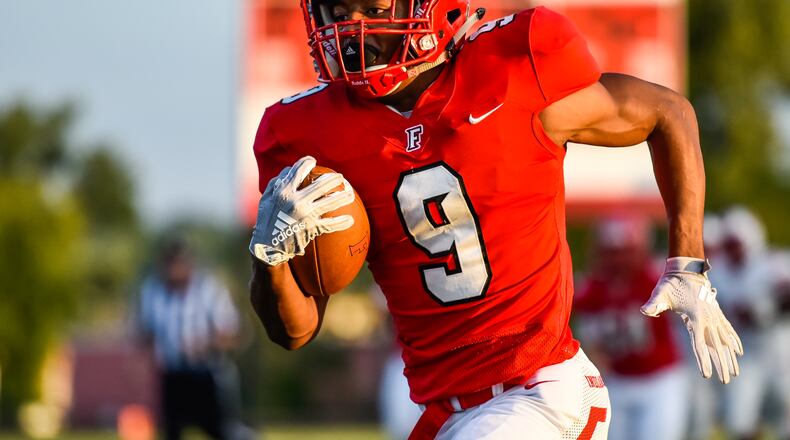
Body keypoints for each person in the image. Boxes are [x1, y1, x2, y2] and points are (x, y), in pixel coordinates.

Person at [246, 1, 743, 438]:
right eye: (337, 12)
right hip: (447, 413)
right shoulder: (304, 135)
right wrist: (269, 259)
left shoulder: (514, 67)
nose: (349, 30)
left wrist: (688, 265)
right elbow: (294, 331)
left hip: (543, 392)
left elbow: (668, 112)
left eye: (372, 10)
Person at [574, 217, 689, 440]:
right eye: (611, 252)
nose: (618, 260)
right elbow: (590, 343)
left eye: (624, 251)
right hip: (617, 380)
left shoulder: (656, 278)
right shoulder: (592, 288)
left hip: (659, 378)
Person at [137, 239, 252, 440]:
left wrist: (205, 344)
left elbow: (234, 334)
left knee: (221, 429)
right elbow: (146, 334)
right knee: (172, 430)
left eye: (178, 263)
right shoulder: (153, 292)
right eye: (170, 263)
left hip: (207, 373)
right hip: (172, 375)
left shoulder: (209, 291)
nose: (174, 270)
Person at [709, 207, 785, 440]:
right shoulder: (718, 271)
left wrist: (765, 311)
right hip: (745, 354)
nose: (732, 249)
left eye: (736, 243)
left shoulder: (773, 264)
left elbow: (785, 296)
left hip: (779, 351)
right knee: (739, 419)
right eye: (728, 243)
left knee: (785, 410)